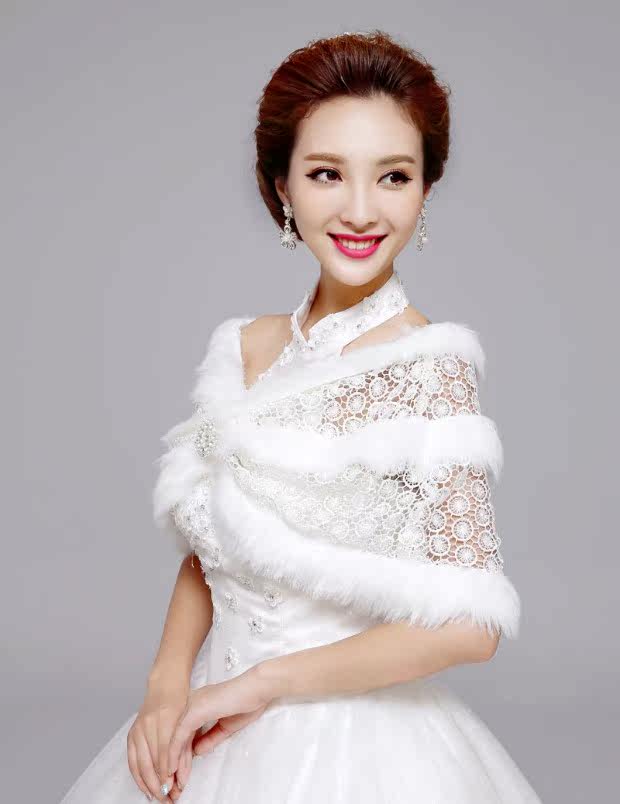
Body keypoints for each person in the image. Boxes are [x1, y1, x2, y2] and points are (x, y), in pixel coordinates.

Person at [59, 29, 543, 804]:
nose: (361, 209)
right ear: (281, 185)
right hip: (206, 716)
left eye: (393, 176)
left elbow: (470, 627)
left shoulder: (428, 369)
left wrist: (263, 684)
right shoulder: (243, 347)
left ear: (425, 190)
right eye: (326, 174)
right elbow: (213, 551)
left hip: (350, 742)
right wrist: (165, 687)